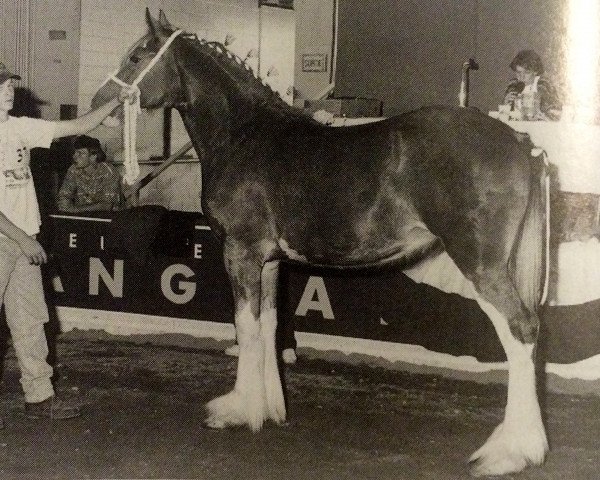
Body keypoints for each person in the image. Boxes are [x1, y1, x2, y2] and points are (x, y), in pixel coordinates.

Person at [0, 62, 135, 425]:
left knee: (30, 321)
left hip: (26, 241)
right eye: (1, 86)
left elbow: (75, 126)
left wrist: (115, 101)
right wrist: (23, 241)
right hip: (9, 241)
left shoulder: (19, 127)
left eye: (9, 83)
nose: (9, 89)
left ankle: (39, 397)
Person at [57, 135, 121, 213]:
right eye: (75, 152)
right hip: (82, 216)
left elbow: (107, 205)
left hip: (108, 217)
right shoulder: (73, 169)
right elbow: (64, 195)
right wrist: (64, 203)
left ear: (93, 156)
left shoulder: (108, 171)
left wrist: (75, 209)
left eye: (80, 153)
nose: (74, 156)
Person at [503, 49, 562, 120]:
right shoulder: (512, 86)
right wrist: (506, 105)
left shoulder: (545, 86)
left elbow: (555, 114)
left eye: (526, 72)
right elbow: (505, 118)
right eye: (518, 72)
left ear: (535, 71)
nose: (522, 76)